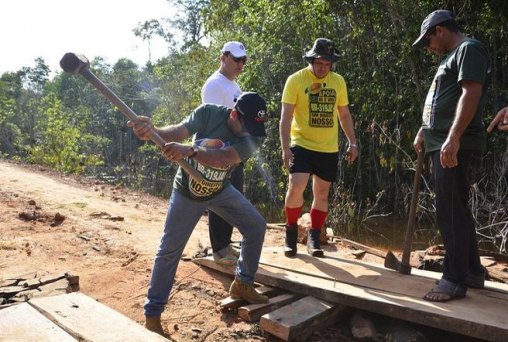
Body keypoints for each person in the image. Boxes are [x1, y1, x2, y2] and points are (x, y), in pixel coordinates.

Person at [128, 92, 270, 336]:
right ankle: (152, 314)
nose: (248, 133)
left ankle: (243, 283)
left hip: (220, 189)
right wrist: (152, 130)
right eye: (244, 127)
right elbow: (178, 132)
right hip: (188, 192)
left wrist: (191, 152)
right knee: (169, 249)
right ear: (234, 114)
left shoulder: (253, 136)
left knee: (255, 226)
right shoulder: (209, 113)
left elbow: (224, 157)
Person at [412, 10, 491, 302]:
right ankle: (471, 271)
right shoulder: (452, 55)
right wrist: (425, 129)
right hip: (441, 141)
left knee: (450, 210)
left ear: (441, 30)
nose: (429, 47)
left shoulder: (469, 49)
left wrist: (453, 138)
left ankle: (453, 281)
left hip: (459, 144)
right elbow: (440, 100)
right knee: (457, 208)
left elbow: (470, 94)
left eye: (428, 40)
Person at [279, 38, 358, 258]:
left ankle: (314, 237)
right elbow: (285, 117)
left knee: (322, 192)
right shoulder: (296, 80)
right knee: (296, 186)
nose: (323, 68)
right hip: (301, 143)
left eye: (327, 64)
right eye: (319, 63)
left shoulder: (338, 81)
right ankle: (291, 231)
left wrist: (353, 142)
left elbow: (343, 114)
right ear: (311, 60)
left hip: (327, 147)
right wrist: (285, 148)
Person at [201, 41, 247, 266]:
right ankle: (219, 250)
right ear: (223, 57)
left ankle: (225, 245)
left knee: (232, 198)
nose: (240, 64)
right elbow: (212, 122)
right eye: (236, 59)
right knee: (220, 200)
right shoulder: (215, 85)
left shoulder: (232, 85)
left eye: (243, 60)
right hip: (221, 151)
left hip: (234, 151)